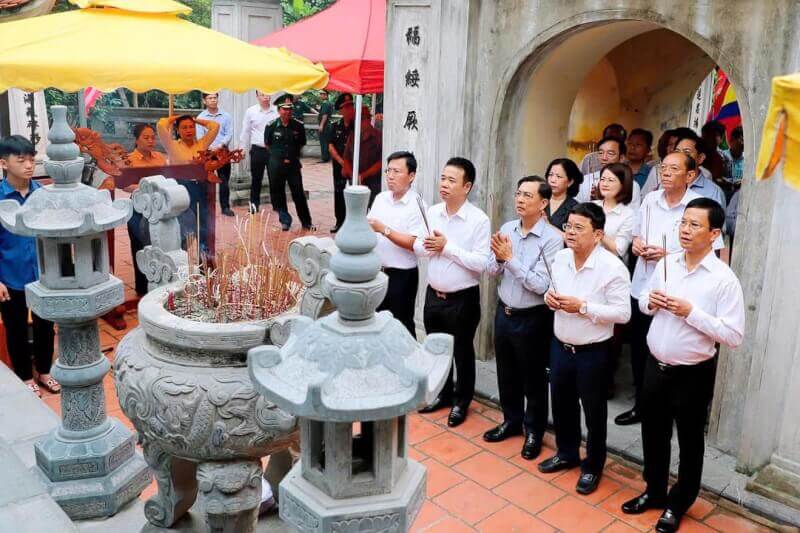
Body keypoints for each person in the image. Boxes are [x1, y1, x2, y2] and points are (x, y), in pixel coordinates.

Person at [622, 198, 744, 533]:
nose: (685, 230)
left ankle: (679, 502)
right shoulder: (668, 263)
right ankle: (654, 491)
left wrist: (691, 312)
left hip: (693, 374)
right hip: (655, 365)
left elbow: (733, 335)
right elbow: (643, 302)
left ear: (714, 234)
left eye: (694, 225)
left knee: (690, 442)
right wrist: (651, 302)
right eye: (683, 223)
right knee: (653, 433)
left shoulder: (723, 279)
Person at [615, 152, 724, 426]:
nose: (665, 172)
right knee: (641, 349)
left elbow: (714, 250)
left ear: (690, 175)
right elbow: (636, 234)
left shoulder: (699, 208)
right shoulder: (650, 200)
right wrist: (637, 245)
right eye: (663, 168)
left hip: (682, 292)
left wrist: (668, 255)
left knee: (676, 349)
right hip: (645, 285)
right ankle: (642, 405)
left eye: (673, 169)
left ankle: (675, 411)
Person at [539, 202, 631, 495]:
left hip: (593, 352)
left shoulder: (613, 268)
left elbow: (623, 313)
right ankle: (566, 453)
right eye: (568, 226)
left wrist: (583, 307)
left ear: (598, 234)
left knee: (593, 412)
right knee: (562, 404)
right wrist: (549, 298)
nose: (571, 233)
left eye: (579, 228)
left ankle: (593, 465)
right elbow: (552, 290)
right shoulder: (561, 257)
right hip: (560, 345)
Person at [483, 176, 562, 460]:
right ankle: (511, 420)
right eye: (518, 193)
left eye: (528, 195)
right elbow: (492, 270)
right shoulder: (507, 228)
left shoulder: (553, 239)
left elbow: (541, 285)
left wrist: (510, 259)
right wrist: (499, 258)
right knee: (507, 373)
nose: (520, 199)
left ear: (543, 203)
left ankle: (534, 431)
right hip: (504, 312)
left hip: (533, 318)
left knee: (534, 378)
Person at [415, 157, 490, 427]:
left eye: (451, 180)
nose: (444, 184)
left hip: (463, 299)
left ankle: (461, 402)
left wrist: (446, 247)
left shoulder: (478, 220)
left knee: (462, 351)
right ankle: (442, 394)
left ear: (466, 186)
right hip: (433, 295)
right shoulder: (433, 212)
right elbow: (418, 246)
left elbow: (481, 263)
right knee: (437, 349)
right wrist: (428, 245)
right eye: (443, 178)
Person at [0, 135, 57, 398]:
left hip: (43, 274)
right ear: (4, 163)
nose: (28, 165)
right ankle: (24, 376)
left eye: (32, 159)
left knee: (46, 324)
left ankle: (44, 371)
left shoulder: (42, 195)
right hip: (11, 276)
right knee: (16, 329)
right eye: (21, 160)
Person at [367, 151, 425, 335]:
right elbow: (369, 226)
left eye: (397, 171)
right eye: (388, 170)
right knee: (377, 324)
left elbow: (415, 243)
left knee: (401, 326)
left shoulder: (417, 204)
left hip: (402, 276)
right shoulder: (380, 198)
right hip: (377, 272)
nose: (390, 176)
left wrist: (384, 230)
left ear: (411, 176)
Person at [156, 113, 220, 253]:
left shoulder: (202, 144)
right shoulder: (172, 145)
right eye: (184, 127)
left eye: (191, 127)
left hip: (201, 187)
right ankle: (181, 257)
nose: (189, 130)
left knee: (204, 224)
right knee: (184, 226)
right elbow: (161, 125)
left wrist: (196, 120)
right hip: (181, 188)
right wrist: (176, 117)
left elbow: (215, 126)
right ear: (178, 130)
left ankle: (204, 258)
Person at [127, 123, 167, 296]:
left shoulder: (160, 157)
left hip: (158, 207)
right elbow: (125, 185)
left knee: (158, 243)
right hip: (139, 207)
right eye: (146, 137)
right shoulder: (128, 159)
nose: (151, 140)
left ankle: (159, 282)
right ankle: (142, 288)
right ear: (136, 140)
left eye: (153, 137)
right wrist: (145, 189)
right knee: (140, 245)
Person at [264, 93, 314, 231]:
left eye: (290, 109)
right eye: (284, 109)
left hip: (293, 165)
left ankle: (306, 222)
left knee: (298, 193)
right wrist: (279, 156)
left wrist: (291, 155)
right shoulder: (271, 126)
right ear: (279, 110)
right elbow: (267, 144)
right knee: (278, 193)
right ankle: (285, 220)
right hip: (276, 165)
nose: (287, 112)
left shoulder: (298, 126)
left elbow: (302, 143)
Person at [196, 92, 234, 216]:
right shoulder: (200, 117)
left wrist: (220, 145)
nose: (213, 100)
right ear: (204, 101)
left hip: (223, 152)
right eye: (210, 98)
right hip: (207, 153)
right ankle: (207, 208)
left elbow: (229, 133)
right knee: (207, 181)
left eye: (215, 97)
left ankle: (225, 207)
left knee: (224, 180)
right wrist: (209, 147)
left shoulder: (226, 116)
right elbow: (200, 137)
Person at [240, 91, 278, 213]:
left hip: (273, 150)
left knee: (275, 178)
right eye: (262, 94)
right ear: (257, 96)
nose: (266, 97)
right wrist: (242, 148)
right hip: (257, 149)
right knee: (256, 179)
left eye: (267, 94)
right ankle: (254, 205)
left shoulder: (277, 110)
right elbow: (245, 131)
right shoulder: (251, 111)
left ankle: (277, 205)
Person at [578, 136, 640, 208]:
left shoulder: (632, 186)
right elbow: (576, 209)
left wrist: (602, 201)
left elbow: (631, 213)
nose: (604, 158)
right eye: (601, 153)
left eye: (610, 153)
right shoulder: (585, 180)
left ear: (621, 158)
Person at [672, 129, 727, 210]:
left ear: (700, 158)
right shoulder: (666, 184)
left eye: (687, 152)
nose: (680, 157)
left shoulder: (713, 192)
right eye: (677, 152)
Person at [594, 163, 635, 263]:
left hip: (610, 266)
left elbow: (619, 251)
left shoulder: (628, 215)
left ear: (623, 185)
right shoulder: (590, 206)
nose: (604, 184)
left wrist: (597, 231)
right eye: (602, 179)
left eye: (611, 180)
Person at [344, 106, 383, 206]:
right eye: (357, 120)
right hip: (356, 182)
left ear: (368, 120)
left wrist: (363, 176)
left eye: (362, 119)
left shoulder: (378, 137)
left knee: (374, 209)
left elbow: (381, 162)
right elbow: (346, 159)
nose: (359, 122)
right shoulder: (352, 137)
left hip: (374, 182)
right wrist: (353, 176)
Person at [328, 93, 355, 232]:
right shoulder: (335, 126)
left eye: (351, 106)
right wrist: (341, 162)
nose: (349, 109)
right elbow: (330, 146)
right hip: (340, 166)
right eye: (346, 107)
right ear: (340, 110)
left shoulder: (359, 125)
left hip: (356, 166)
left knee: (355, 192)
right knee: (339, 192)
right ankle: (340, 221)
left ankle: (354, 222)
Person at [544, 158, 583, 233]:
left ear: (570, 182)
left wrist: (548, 225)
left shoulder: (575, 208)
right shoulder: (539, 200)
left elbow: (574, 237)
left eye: (558, 176)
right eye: (550, 175)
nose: (552, 180)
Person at [641, 129, 679, 196]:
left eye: (677, 144)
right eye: (670, 144)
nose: (673, 148)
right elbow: (645, 196)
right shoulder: (656, 169)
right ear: (665, 147)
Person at [700, 120, 728, 187]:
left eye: (716, 135)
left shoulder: (719, 159)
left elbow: (717, 179)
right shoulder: (693, 153)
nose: (713, 138)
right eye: (710, 135)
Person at [722, 125, 744, 199]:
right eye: (741, 140)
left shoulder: (746, 161)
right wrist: (732, 184)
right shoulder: (722, 157)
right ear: (732, 140)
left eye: (745, 140)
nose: (743, 143)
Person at [317, 90, 333, 163]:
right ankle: (327, 157)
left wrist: (321, 125)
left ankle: (325, 158)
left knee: (324, 142)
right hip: (327, 125)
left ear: (325, 95)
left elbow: (325, 115)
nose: (320, 95)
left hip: (325, 125)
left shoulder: (325, 104)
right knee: (326, 141)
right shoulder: (328, 103)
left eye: (322, 94)